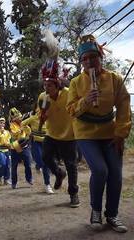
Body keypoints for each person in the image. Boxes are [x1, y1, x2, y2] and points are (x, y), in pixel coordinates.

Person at [66, 34, 131, 232]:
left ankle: (112, 214)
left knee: (116, 175)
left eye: (92, 57)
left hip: (110, 131)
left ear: (100, 57)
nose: (88, 61)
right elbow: (70, 110)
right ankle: (96, 211)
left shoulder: (114, 79)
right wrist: (85, 100)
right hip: (85, 133)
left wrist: (121, 133)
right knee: (100, 170)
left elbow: (123, 105)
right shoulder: (76, 83)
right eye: (84, 59)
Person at [38, 59, 79, 208]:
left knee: (71, 165)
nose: (46, 87)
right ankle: (58, 173)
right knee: (45, 156)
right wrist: (41, 117)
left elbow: (77, 108)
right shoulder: (43, 97)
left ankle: (73, 193)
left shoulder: (68, 94)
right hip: (51, 134)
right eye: (45, 85)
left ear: (57, 85)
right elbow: (40, 115)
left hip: (69, 135)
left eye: (49, 85)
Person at [24, 108, 54, 194]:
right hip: (36, 142)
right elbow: (22, 124)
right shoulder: (33, 118)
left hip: (46, 142)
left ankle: (47, 185)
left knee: (46, 163)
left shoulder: (49, 117)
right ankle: (38, 165)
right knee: (41, 162)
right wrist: (29, 132)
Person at [8, 107, 33, 189]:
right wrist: (20, 130)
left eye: (19, 117)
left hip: (24, 146)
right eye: (17, 118)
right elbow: (14, 134)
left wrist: (25, 128)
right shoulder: (12, 125)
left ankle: (29, 179)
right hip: (14, 147)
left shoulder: (24, 123)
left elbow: (29, 132)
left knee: (28, 163)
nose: (19, 119)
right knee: (14, 166)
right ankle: (14, 183)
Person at [0, 117, 11, 185]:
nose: (2, 124)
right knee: (2, 164)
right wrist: (1, 133)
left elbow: (9, 140)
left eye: (3, 123)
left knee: (8, 165)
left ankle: (6, 179)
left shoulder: (7, 132)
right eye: (1, 123)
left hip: (6, 149)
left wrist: (10, 144)